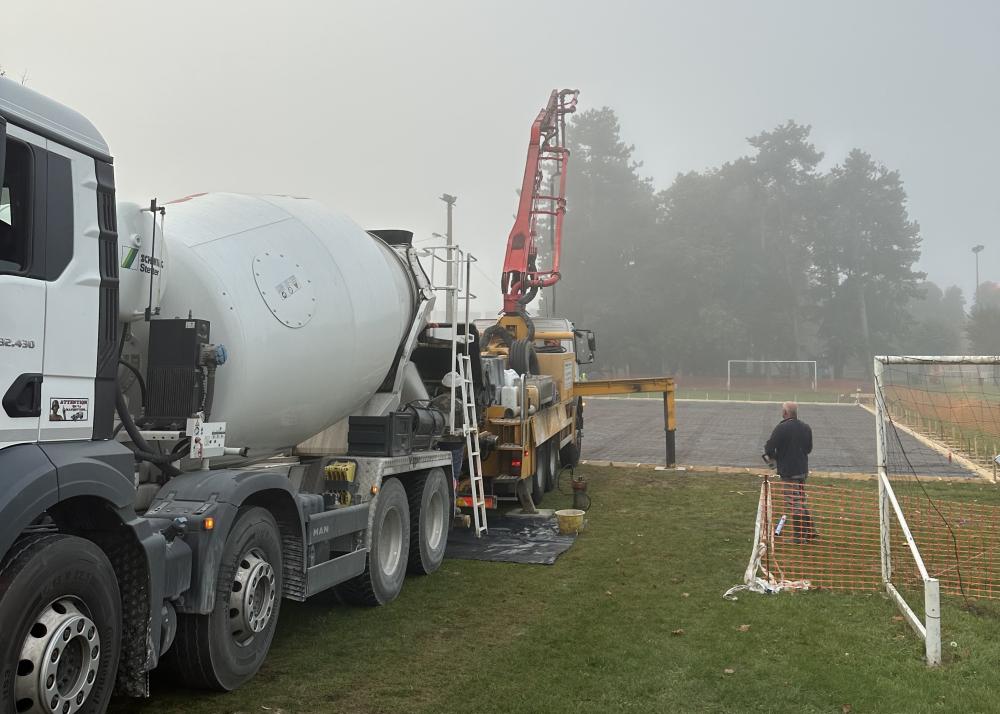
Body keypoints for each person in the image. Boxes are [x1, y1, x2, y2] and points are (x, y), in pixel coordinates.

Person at [763, 401, 817, 543]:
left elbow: (769, 447)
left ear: (785, 413)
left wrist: (775, 457)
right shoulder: (806, 427)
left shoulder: (781, 428)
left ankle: (799, 537)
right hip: (802, 470)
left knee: (794, 503)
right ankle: (811, 531)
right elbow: (809, 449)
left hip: (789, 472)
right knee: (800, 500)